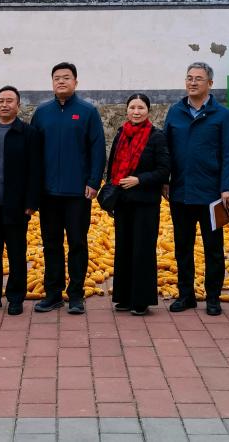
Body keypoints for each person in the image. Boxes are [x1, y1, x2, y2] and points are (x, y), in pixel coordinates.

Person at [30, 62, 106, 315]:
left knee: (77, 243)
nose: (61, 81)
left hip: (77, 192)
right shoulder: (42, 113)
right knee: (51, 244)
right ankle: (53, 294)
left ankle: (76, 295)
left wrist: (93, 182)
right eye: (57, 78)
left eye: (66, 77)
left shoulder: (87, 112)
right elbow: (33, 152)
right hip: (48, 192)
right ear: (52, 82)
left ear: (76, 82)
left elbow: (97, 149)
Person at [163, 62, 229, 316]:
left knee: (213, 248)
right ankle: (186, 295)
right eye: (189, 78)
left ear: (210, 84)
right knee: (183, 247)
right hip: (181, 192)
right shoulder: (175, 112)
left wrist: (227, 187)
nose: (192, 82)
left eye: (198, 78)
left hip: (213, 194)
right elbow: (166, 150)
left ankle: (213, 297)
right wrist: (165, 179)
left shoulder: (223, 115)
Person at [0, 86, 42, 316]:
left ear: (18, 106)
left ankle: (15, 297)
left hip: (17, 205)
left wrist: (31, 202)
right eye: (1, 100)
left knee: (16, 253)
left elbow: (35, 170)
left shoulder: (29, 133)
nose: (4, 104)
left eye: (9, 101)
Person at [103, 93, 170, 316]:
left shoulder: (156, 136)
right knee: (123, 249)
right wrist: (112, 194)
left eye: (141, 108)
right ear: (127, 110)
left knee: (142, 250)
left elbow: (164, 170)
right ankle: (123, 297)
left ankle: (141, 300)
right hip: (123, 202)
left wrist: (139, 179)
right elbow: (112, 166)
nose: (136, 112)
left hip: (145, 203)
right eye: (132, 107)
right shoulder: (121, 134)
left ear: (148, 111)